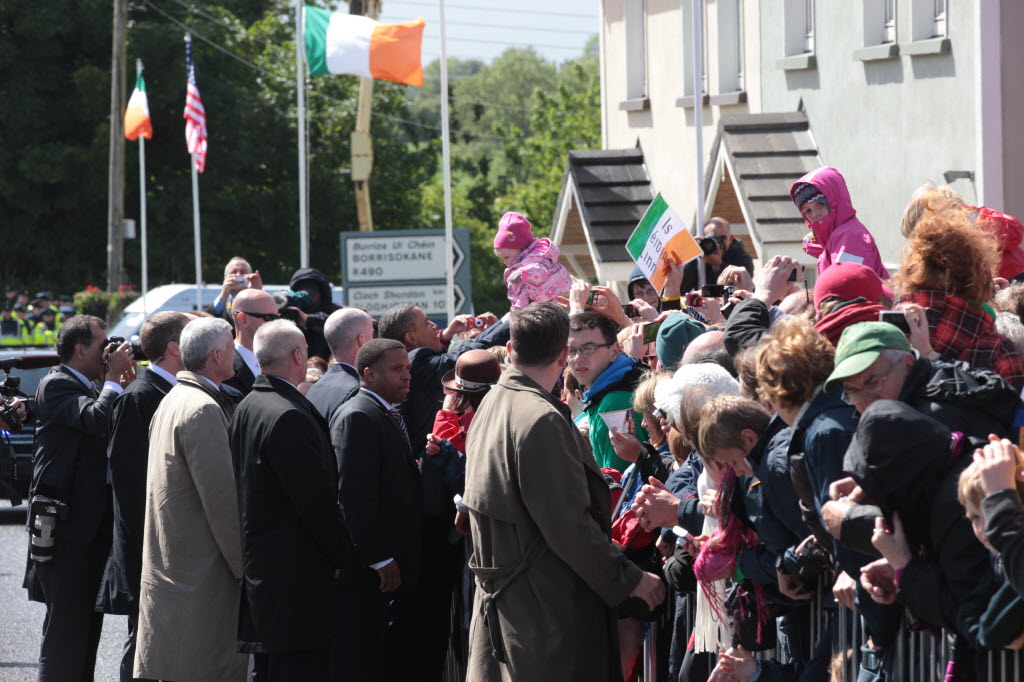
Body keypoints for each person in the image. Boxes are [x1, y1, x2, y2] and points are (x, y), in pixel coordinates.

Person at [463, 302, 665, 681]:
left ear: (511, 348)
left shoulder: (495, 401)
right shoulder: (540, 417)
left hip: (518, 607)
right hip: (541, 611)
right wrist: (629, 578)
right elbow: (567, 526)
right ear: (562, 356)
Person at [378, 304, 509, 680]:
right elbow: (472, 356)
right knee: (440, 622)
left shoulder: (412, 371)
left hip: (435, 522)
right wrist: (514, 315)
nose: (435, 327)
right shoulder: (422, 364)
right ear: (409, 339)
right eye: (426, 324)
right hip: (442, 524)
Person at [230, 320, 345, 680]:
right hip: (296, 578)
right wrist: (342, 554)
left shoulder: (249, 404)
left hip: (266, 571)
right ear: (298, 356)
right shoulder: (287, 415)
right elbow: (314, 502)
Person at [133, 317, 246, 681]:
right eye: (230, 346)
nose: (236, 353)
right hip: (201, 577)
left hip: (178, 570)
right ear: (217, 356)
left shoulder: (175, 399)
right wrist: (246, 569)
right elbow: (222, 503)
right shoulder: (203, 409)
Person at [23, 315, 134, 681]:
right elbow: (95, 419)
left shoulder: (91, 385)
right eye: (102, 346)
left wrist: (118, 383)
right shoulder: (58, 384)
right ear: (80, 349)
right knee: (66, 633)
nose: (108, 352)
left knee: (86, 632)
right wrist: (113, 380)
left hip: (89, 527)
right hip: (66, 528)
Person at [96, 311, 189, 682]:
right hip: (149, 551)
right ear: (174, 348)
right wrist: (155, 549)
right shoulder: (138, 397)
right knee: (145, 646)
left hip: (168, 549)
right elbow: (130, 487)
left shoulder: (170, 391)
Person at [330, 338, 423, 682]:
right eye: (397, 369)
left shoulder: (383, 412)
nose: (406, 376)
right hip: (372, 575)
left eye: (407, 368)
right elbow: (354, 497)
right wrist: (380, 558)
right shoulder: (359, 415)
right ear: (369, 374)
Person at [893, 204, 1024, 391]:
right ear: (979, 270)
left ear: (913, 265)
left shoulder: (896, 323)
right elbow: (1011, 403)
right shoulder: (999, 348)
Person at [568, 310, 648, 472]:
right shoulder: (610, 390)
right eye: (571, 350)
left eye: (588, 348)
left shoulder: (615, 404)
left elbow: (619, 478)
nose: (577, 358)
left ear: (614, 351)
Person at [791, 167, 889, 279]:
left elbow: (847, 285)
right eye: (808, 211)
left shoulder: (851, 236)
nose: (814, 214)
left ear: (836, 201)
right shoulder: (835, 237)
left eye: (820, 204)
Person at [493, 211, 573, 309]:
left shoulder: (536, 258)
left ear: (522, 249)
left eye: (506, 257)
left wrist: (523, 273)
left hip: (552, 297)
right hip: (541, 301)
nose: (504, 262)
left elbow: (540, 272)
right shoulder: (521, 265)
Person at [306, 307, 373, 423]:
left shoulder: (314, 389)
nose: (375, 341)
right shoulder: (358, 391)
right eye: (372, 334)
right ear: (362, 340)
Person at [224, 288, 280, 396]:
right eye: (269, 318)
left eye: (278, 318)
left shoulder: (282, 362)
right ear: (243, 320)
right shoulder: (224, 367)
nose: (276, 325)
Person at [680, 217, 756, 295]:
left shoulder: (742, 259)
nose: (718, 243)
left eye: (722, 238)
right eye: (712, 238)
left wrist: (718, 266)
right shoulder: (699, 258)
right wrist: (692, 256)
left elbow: (734, 291)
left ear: (730, 239)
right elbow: (680, 290)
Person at [288, 267, 341, 360]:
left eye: (313, 293)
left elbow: (341, 326)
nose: (311, 299)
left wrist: (309, 319)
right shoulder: (291, 311)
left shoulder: (335, 312)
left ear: (321, 293)